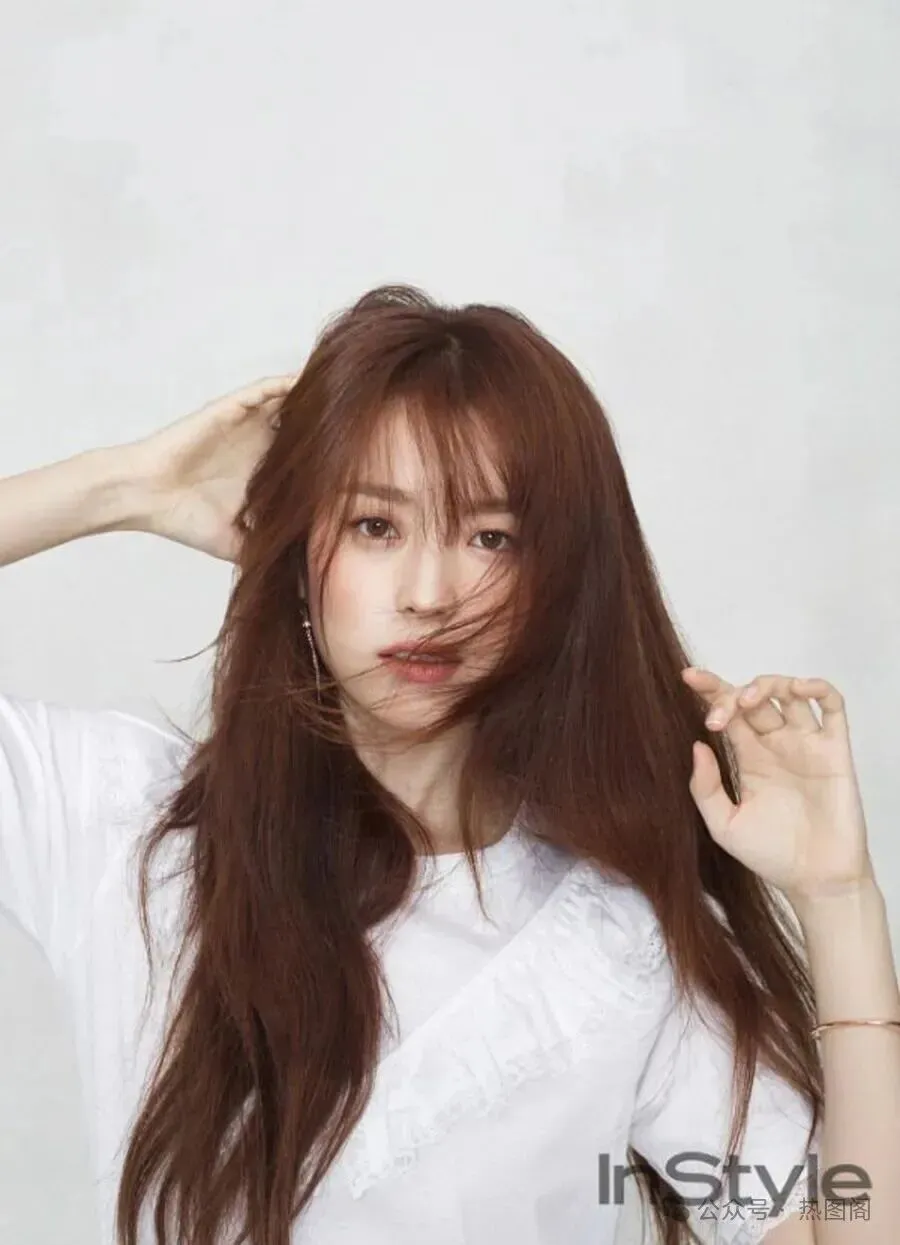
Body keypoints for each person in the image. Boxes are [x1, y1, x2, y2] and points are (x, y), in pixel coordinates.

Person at [0, 284, 897, 1245]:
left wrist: (838, 898)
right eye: (376, 526)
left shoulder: (614, 944)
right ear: (299, 556)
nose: (429, 593)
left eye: (489, 537)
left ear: (557, 583)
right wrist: (126, 488)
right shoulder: (122, 824)